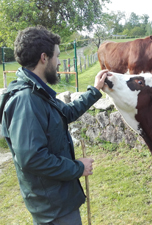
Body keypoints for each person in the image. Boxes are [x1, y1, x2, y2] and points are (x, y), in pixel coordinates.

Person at [1, 26, 108, 225]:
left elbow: (66, 113)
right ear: (44, 57)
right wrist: (78, 167)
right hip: (53, 209)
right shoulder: (26, 100)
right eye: (57, 56)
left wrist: (94, 90)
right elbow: (33, 158)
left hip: (58, 200)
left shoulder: (38, 92)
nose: (58, 62)